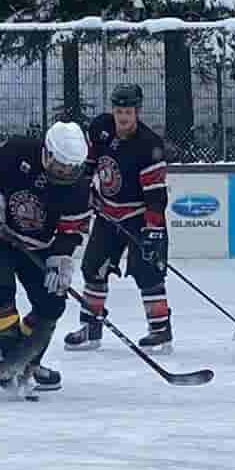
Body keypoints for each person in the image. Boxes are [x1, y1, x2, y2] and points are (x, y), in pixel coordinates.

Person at [0, 120, 92, 396]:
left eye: (72, 168)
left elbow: (71, 230)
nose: (65, 173)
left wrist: (60, 257)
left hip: (40, 245)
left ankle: (27, 362)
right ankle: (12, 359)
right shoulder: (16, 151)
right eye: (61, 165)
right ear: (47, 152)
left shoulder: (80, 188)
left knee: (52, 303)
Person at [65, 81, 173, 353]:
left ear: (137, 112)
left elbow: (156, 196)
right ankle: (91, 326)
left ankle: (160, 329)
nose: (122, 117)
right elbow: (88, 165)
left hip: (138, 215)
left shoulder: (149, 145)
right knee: (92, 267)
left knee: (148, 271)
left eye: (128, 112)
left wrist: (153, 231)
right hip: (108, 213)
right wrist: (84, 191)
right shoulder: (100, 128)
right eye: (118, 111)